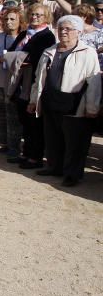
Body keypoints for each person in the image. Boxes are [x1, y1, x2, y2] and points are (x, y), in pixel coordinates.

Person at [28, 15, 101, 186]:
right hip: (51, 101)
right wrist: (33, 100)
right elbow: (38, 78)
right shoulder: (50, 51)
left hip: (74, 103)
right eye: (61, 28)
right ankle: (54, 167)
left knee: (75, 142)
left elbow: (94, 82)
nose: (63, 32)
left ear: (78, 32)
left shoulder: (87, 53)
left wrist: (92, 107)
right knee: (53, 138)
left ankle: (72, 174)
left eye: (68, 29)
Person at [8, 4, 56, 168]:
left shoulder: (47, 36)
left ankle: (35, 157)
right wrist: (16, 58)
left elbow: (34, 58)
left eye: (39, 15)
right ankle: (26, 152)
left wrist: (18, 58)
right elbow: (12, 52)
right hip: (20, 82)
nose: (35, 17)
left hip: (34, 81)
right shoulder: (24, 33)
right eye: (33, 14)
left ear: (46, 17)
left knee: (34, 121)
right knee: (24, 120)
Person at [0, 8, 22, 157]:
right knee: (0, 113)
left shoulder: (23, 38)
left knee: (13, 116)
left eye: (13, 19)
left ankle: (14, 146)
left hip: (13, 82)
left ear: (20, 21)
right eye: (7, 19)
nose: (9, 22)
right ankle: (4, 143)